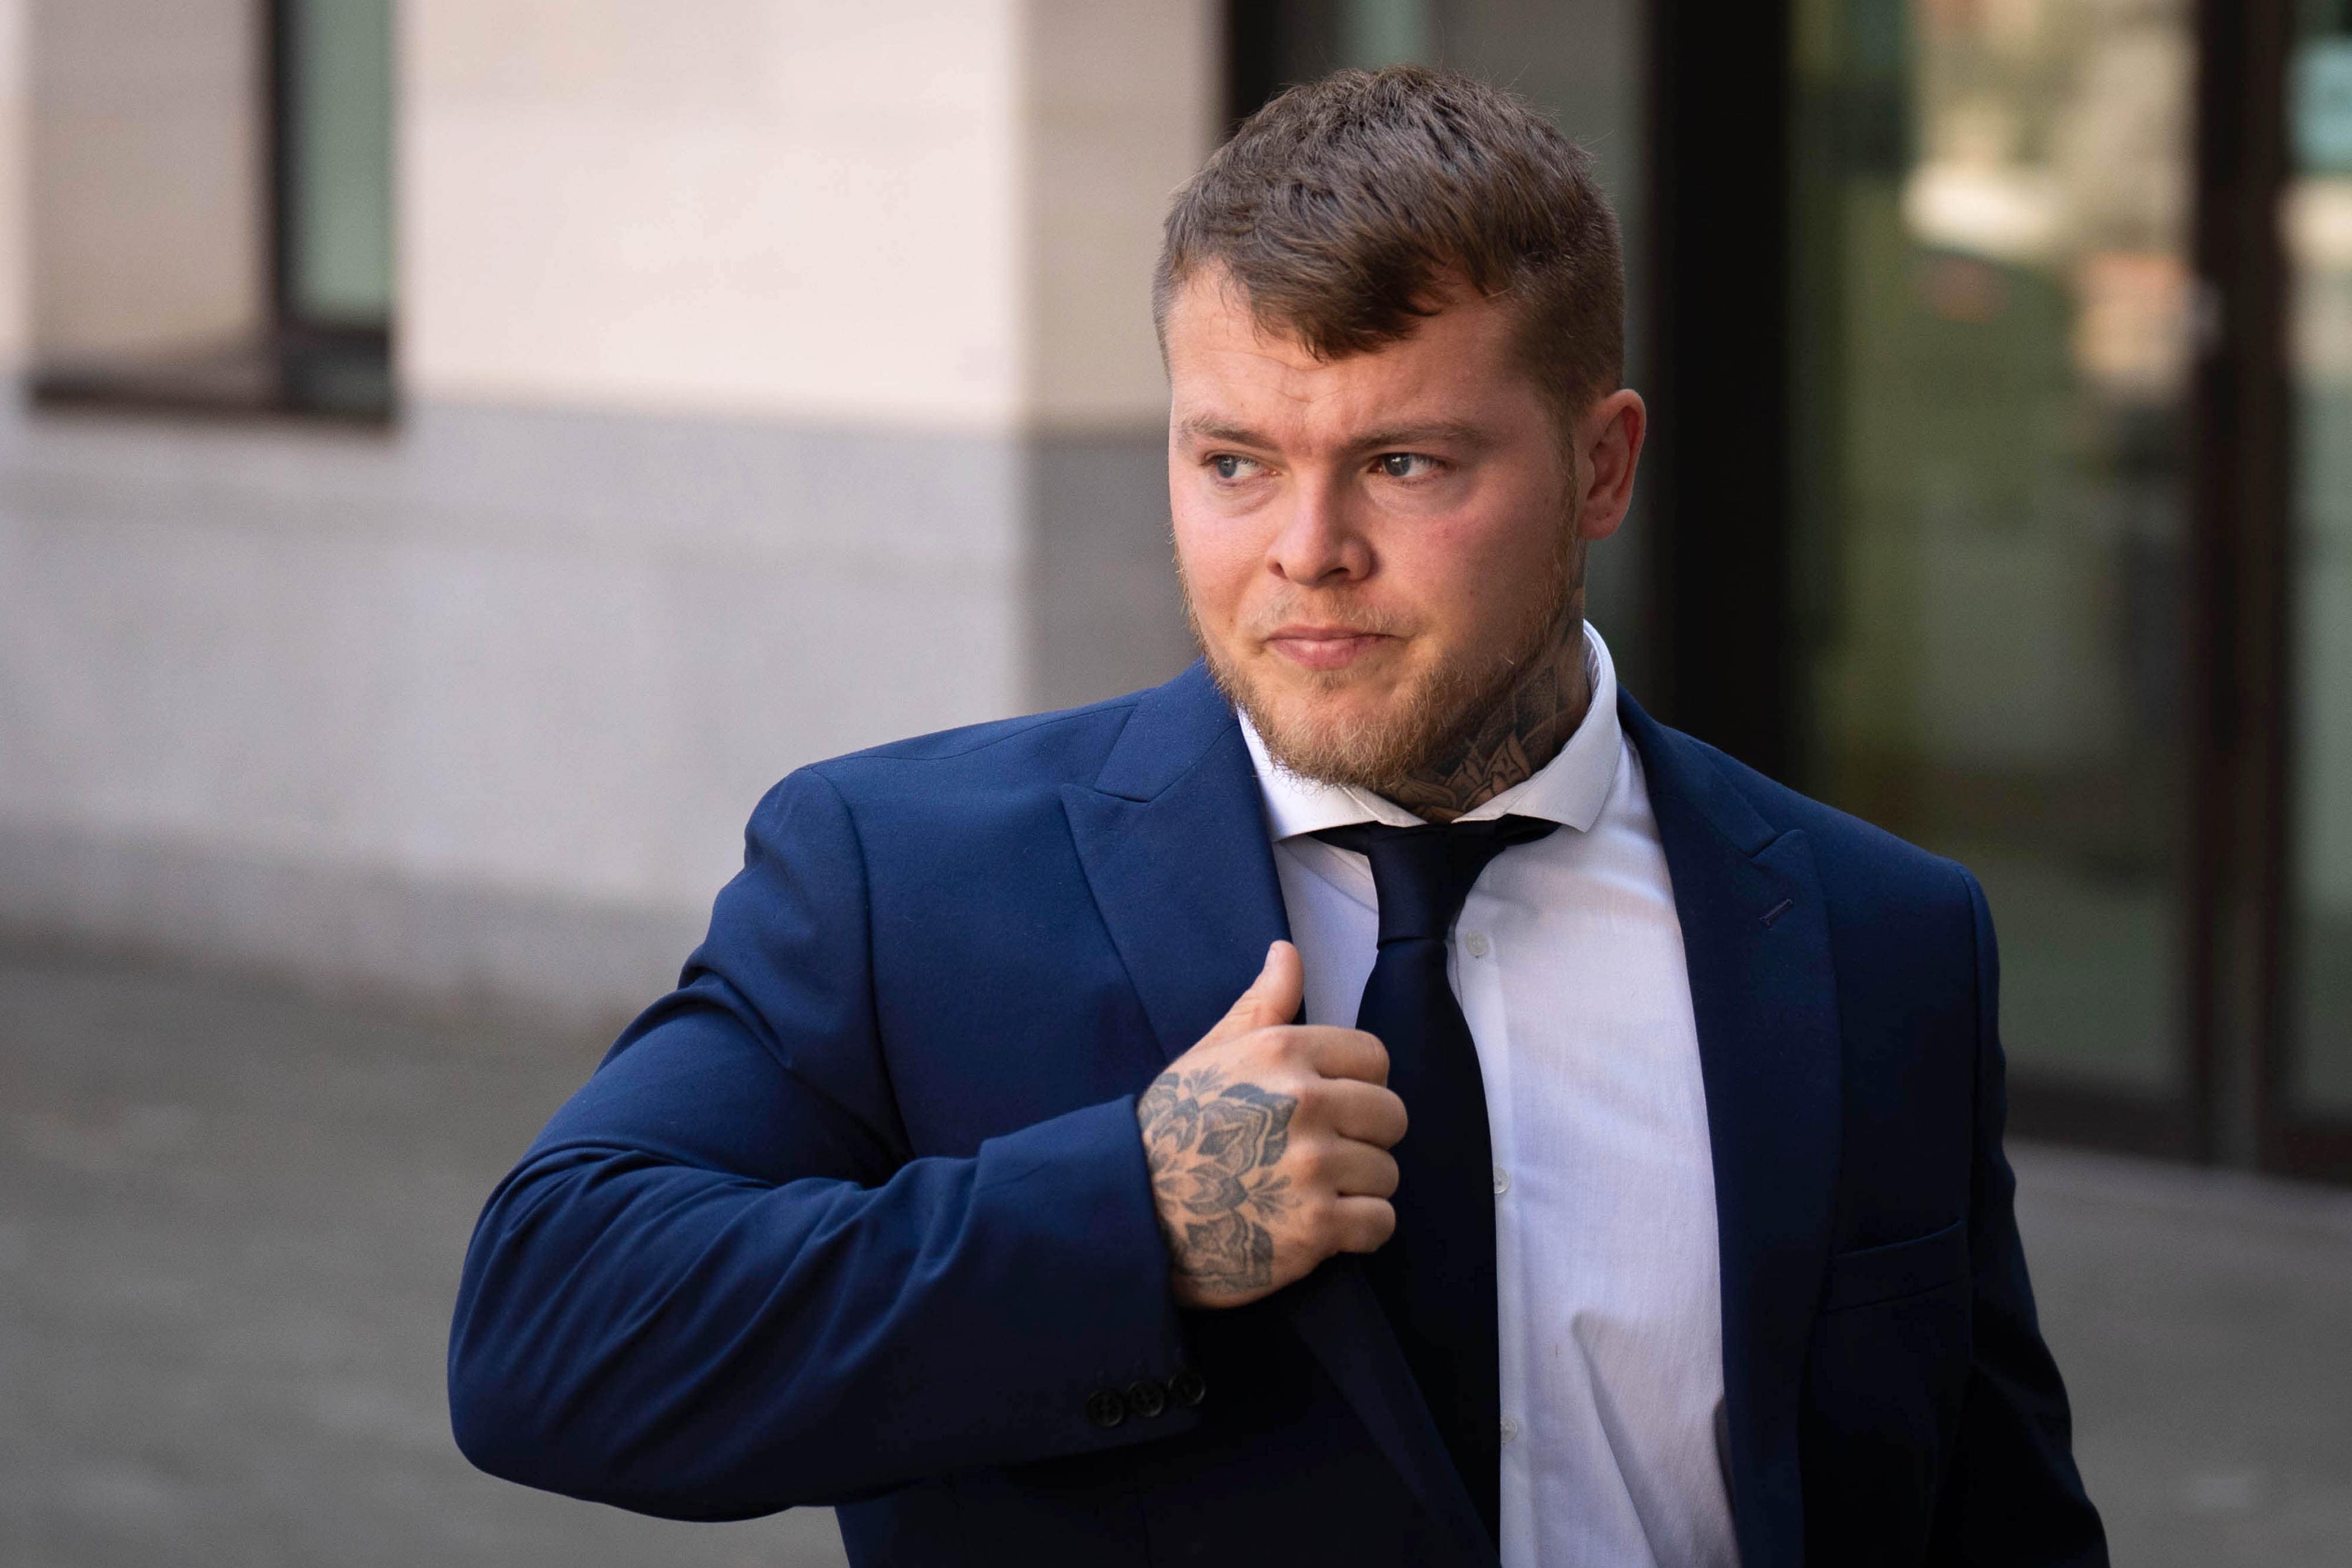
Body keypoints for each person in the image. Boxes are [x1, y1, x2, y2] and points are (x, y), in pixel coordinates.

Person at [449, 65, 2107, 1568]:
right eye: (1234, 460)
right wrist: (1134, 1217)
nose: (1305, 548)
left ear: (1603, 470)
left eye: (1404, 465)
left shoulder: (1879, 937)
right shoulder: (905, 880)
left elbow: (1997, 1518)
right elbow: (549, 1336)